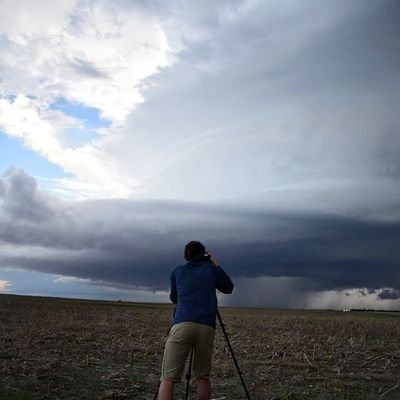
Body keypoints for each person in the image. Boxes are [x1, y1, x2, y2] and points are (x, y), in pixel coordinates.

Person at [158, 240, 234, 400]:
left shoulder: (177, 271)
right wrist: (216, 264)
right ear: (204, 254)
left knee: (168, 378)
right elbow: (228, 287)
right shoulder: (211, 269)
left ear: (186, 256)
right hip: (206, 326)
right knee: (202, 376)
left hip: (182, 324)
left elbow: (174, 298)